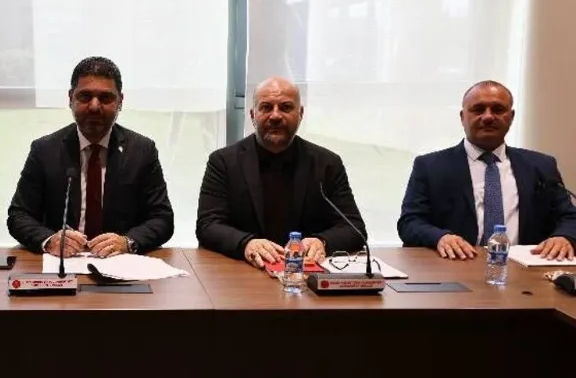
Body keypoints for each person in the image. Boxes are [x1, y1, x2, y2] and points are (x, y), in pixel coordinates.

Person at [7, 56, 174, 257]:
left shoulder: (142, 151)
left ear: (120, 101)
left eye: (105, 98)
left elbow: (162, 219)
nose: (94, 106)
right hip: (62, 262)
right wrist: (49, 240)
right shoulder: (44, 150)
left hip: (120, 262)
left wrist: (128, 242)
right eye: (85, 96)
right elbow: (19, 215)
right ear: (71, 98)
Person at [196, 76, 367, 268]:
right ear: (252, 115)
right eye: (266, 107)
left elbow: (354, 228)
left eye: (285, 107)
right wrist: (246, 243)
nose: (275, 116)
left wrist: (322, 242)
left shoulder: (327, 164)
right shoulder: (223, 162)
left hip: (305, 273)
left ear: (300, 113)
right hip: (243, 271)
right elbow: (207, 225)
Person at [398, 80, 576, 260]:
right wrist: (440, 237)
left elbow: (570, 217)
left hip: (524, 267)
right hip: (456, 265)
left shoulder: (541, 166)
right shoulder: (430, 166)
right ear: (462, 117)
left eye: (498, 109)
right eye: (478, 109)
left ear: (511, 116)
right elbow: (410, 223)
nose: (488, 117)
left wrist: (564, 237)